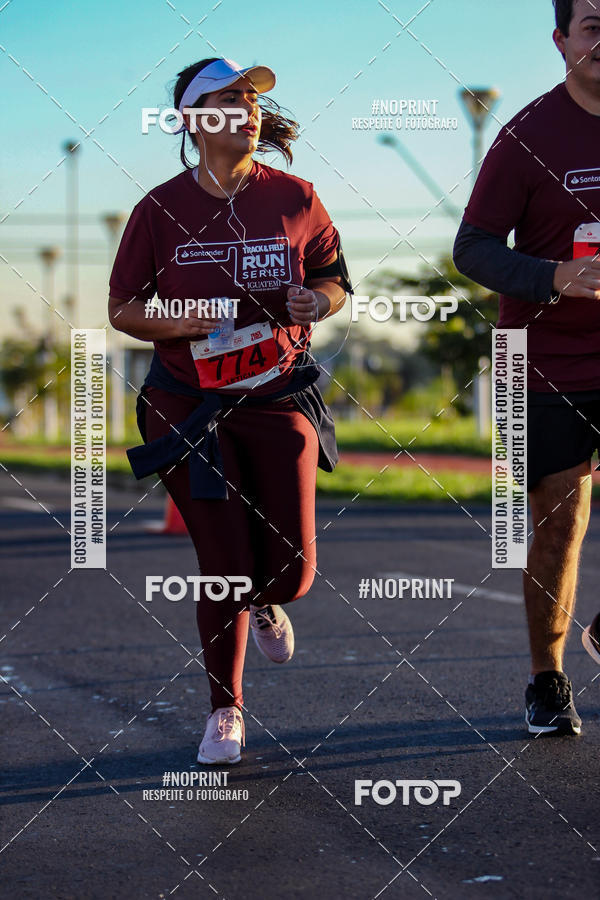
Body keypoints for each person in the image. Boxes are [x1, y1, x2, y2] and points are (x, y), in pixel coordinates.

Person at [108, 57, 351, 763]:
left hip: (277, 396)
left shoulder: (297, 197)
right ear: (192, 119)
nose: (246, 109)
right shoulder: (158, 209)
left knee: (292, 573)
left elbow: (335, 278)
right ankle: (225, 710)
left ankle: (266, 599)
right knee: (223, 562)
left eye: (251, 98)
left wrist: (317, 301)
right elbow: (123, 308)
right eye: (228, 98)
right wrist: (178, 321)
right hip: (186, 405)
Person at [453, 0, 600, 735]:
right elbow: (472, 247)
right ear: (561, 41)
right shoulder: (527, 136)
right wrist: (553, 277)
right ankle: (547, 679)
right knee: (560, 524)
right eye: (594, 27)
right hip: (543, 362)